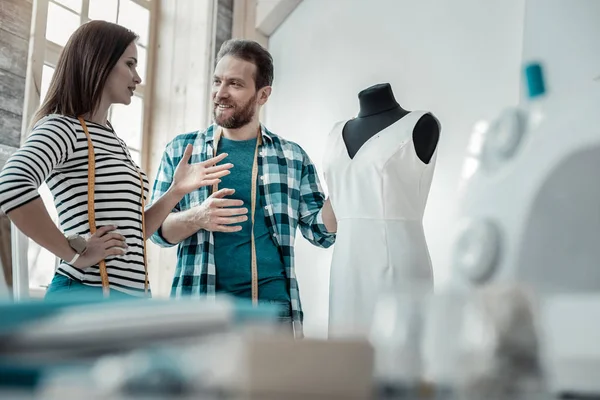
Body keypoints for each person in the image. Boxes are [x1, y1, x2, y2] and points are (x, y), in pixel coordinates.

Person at [0, 21, 232, 300]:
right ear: (100, 62)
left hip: (129, 300)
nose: (138, 78)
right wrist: (71, 255)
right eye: (130, 64)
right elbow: (11, 185)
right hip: (86, 296)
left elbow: (134, 232)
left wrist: (176, 191)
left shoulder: (114, 141)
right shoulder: (63, 128)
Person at [150, 39, 337, 337]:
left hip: (271, 312)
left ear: (263, 95)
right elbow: (157, 233)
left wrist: (343, 182)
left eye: (235, 84)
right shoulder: (182, 150)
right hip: (199, 306)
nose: (220, 93)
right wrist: (197, 217)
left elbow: (321, 233)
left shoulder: (292, 156)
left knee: (270, 386)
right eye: (217, 81)